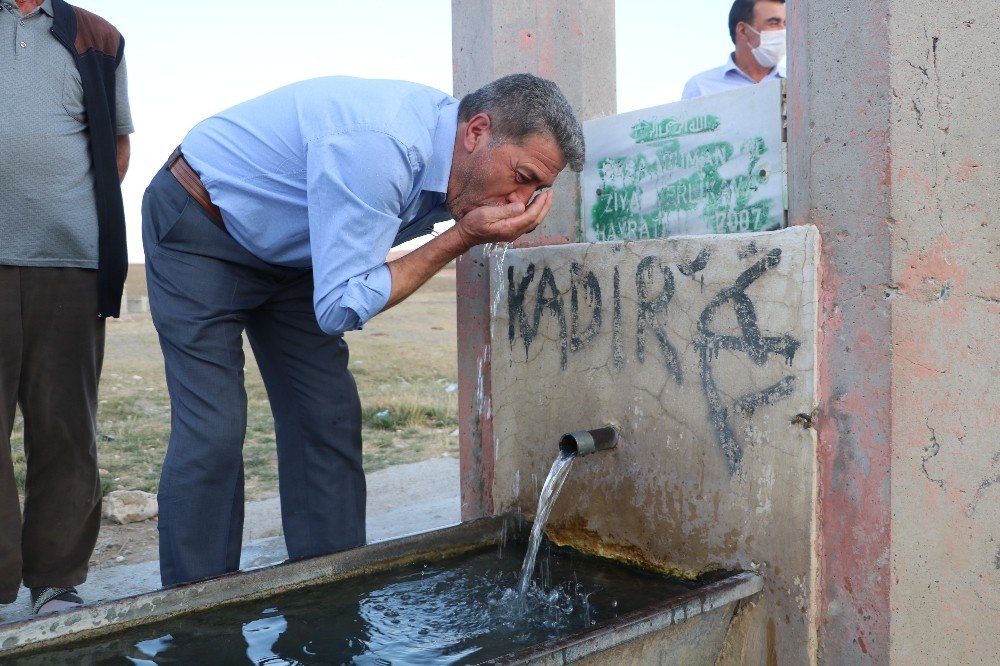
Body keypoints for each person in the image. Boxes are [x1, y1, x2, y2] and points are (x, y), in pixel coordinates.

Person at [142, 73, 584, 587]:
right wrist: (462, 237)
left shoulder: (462, 161)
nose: (519, 200)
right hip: (203, 221)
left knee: (325, 416)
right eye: (522, 176)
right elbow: (339, 306)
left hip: (298, 253)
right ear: (477, 131)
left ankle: (330, 600)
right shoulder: (381, 148)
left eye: (537, 190)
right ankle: (198, 617)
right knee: (213, 430)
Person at [0, 0, 132, 615]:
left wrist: (69, 212)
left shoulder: (96, 38)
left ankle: (54, 582)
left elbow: (116, 147)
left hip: (71, 264)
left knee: (66, 430)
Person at [682, 0, 786, 100]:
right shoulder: (700, 88)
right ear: (743, 30)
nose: (783, 30)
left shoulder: (796, 83)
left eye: (785, 23)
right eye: (774, 23)